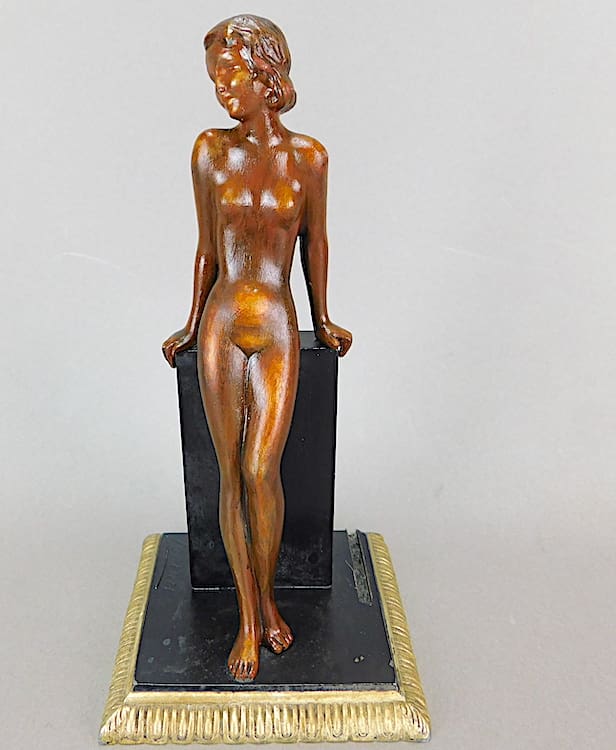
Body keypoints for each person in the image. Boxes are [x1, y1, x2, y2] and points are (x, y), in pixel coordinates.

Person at [162, 14, 352, 682]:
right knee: (229, 472)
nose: (222, 91)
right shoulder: (209, 152)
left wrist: (323, 318)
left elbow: (315, 242)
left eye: (232, 76)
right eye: (214, 80)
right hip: (222, 321)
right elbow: (207, 250)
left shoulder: (309, 157)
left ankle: (267, 597)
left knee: (262, 468)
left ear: (267, 76)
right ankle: (248, 617)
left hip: (275, 320)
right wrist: (190, 323)